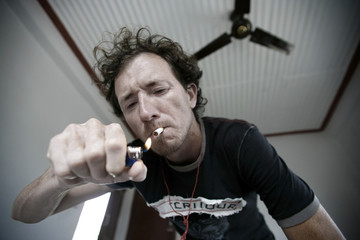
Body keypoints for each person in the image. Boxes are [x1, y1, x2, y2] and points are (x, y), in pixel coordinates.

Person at [12, 27, 345, 240]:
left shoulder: (241, 143)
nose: (145, 112)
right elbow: (23, 214)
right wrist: (61, 178)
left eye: (157, 89)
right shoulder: (133, 161)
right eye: (130, 103)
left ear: (190, 95)